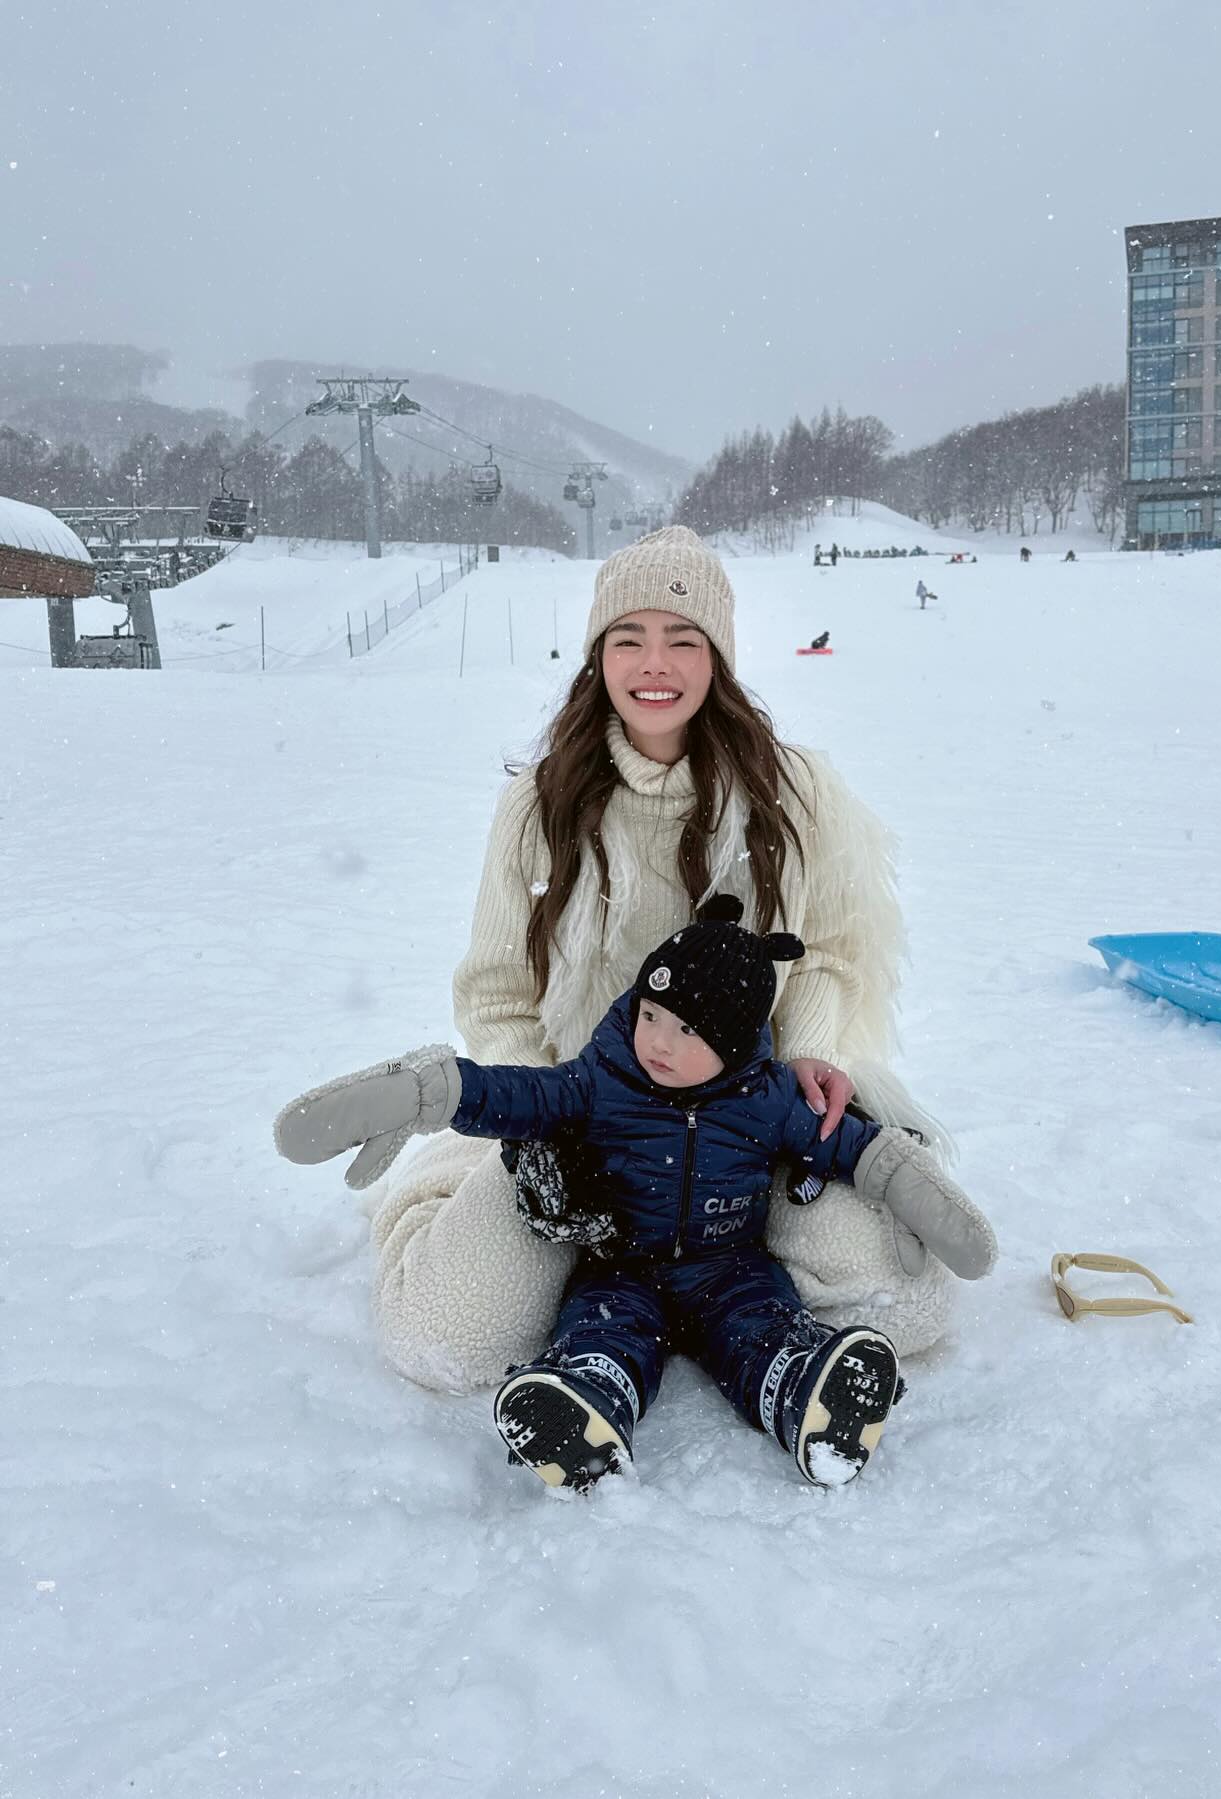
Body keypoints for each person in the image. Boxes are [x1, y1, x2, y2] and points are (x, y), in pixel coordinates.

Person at [296, 526, 961, 1396]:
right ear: (598, 655)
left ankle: (705, 1264)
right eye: (629, 638)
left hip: (748, 1127)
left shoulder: (791, 793)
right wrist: (546, 1123)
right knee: (445, 1339)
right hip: (583, 1123)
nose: (657, 663)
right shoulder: (540, 805)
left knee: (909, 1306)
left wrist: (809, 1056)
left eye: (684, 640)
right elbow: (496, 993)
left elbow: (832, 949)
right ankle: (494, 1223)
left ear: (717, 656)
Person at [275, 898, 997, 1490]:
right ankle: (585, 1407)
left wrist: (906, 1185)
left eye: (687, 1029)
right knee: (601, 1330)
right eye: (651, 1015)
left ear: (735, 1042)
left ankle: (810, 1393)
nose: (657, 1039)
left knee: (763, 1327)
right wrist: (436, 1092)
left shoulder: (767, 1095)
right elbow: (517, 1092)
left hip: (729, 1265)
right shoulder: (601, 1079)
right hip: (620, 1263)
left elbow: (852, 1146)